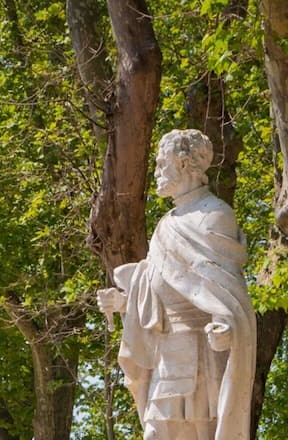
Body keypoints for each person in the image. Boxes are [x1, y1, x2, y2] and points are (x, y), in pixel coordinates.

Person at [98, 129, 254, 440]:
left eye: (161, 163)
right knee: (155, 433)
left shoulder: (215, 215)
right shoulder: (166, 224)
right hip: (166, 354)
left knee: (202, 433)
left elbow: (226, 293)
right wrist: (125, 301)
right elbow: (159, 281)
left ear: (183, 164)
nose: (156, 172)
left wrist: (226, 325)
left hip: (203, 354)